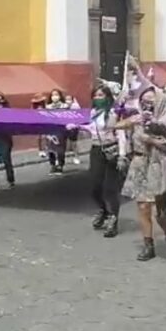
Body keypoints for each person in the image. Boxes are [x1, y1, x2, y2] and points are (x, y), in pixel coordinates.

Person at [118, 88, 166, 261]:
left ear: (159, 101)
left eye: (151, 100)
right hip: (140, 165)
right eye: (144, 100)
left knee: (161, 214)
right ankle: (148, 245)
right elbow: (113, 126)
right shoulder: (137, 119)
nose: (147, 104)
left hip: (159, 167)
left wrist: (152, 140)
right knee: (143, 208)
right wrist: (125, 114)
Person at [68, 85, 128, 238]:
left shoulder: (114, 113)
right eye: (95, 95)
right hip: (96, 150)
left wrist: (122, 155)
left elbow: (121, 134)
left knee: (110, 188)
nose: (98, 98)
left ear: (107, 97)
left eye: (101, 95)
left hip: (112, 150)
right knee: (95, 187)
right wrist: (77, 126)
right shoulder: (93, 113)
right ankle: (104, 210)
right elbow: (91, 129)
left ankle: (113, 219)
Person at [45, 89, 69, 175]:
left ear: (60, 96)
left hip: (61, 130)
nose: (54, 97)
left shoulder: (65, 106)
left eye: (56, 95)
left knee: (60, 149)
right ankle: (52, 165)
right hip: (51, 130)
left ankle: (60, 165)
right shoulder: (48, 107)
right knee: (51, 149)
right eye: (52, 95)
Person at [64, 94, 82, 165]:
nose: (68, 101)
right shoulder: (63, 107)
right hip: (65, 127)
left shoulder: (75, 107)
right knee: (63, 144)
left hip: (73, 127)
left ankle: (76, 157)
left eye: (69, 99)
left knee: (74, 143)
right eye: (66, 99)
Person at [31, 93, 48, 158]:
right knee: (39, 137)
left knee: (46, 137)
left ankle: (46, 148)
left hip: (46, 122)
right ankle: (41, 150)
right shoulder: (34, 108)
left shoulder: (45, 106)